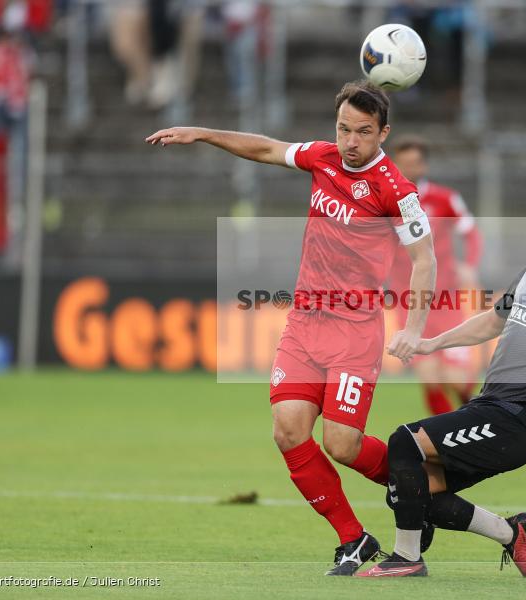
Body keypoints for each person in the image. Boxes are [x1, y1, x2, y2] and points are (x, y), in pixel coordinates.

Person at [145, 80, 436, 576]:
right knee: (288, 431)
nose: (349, 141)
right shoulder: (322, 157)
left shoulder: (396, 190)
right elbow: (264, 147)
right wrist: (201, 132)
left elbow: (424, 259)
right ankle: (353, 538)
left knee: (342, 444)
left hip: (354, 331)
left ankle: (417, 489)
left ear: (383, 133)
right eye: (343, 129)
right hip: (304, 324)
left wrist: (414, 327)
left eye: (362, 132)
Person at [359, 186, 526, 578]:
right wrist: (433, 343)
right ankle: (511, 532)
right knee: (411, 493)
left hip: (518, 422)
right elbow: (492, 321)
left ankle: (407, 559)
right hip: (487, 408)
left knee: (404, 442)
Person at [389, 136, 482, 415]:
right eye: (402, 164)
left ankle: (476, 416)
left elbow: (471, 233)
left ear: (424, 165)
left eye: (413, 163)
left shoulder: (444, 199)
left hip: (445, 298)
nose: (408, 169)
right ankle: (445, 442)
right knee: (429, 375)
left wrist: (470, 264)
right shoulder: (385, 202)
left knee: (454, 377)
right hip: (407, 299)